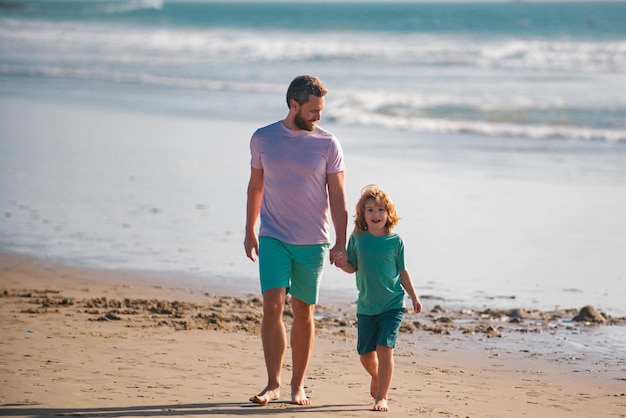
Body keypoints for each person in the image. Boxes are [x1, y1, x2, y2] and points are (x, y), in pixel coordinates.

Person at [244, 75, 348, 406]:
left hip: (312, 241)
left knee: (303, 311)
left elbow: (339, 197)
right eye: (314, 110)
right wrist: (249, 229)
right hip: (273, 235)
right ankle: (272, 383)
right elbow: (255, 186)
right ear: (294, 105)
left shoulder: (328, 144)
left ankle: (297, 385)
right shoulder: (263, 138)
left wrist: (341, 242)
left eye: (321, 110)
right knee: (272, 306)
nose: (318, 116)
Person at [334, 184, 422, 412]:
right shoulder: (357, 239)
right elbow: (352, 267)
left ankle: (382, 397)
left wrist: (414, 297)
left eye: (381, 209)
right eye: (370, 210)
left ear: (389, 213)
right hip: (366, 306)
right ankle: (377, 376)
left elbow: (403, 272)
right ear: (363, 214)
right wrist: (342, 264)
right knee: (365, 355)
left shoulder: (395, 242)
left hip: (392, 304)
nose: (376, 214)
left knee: (385, 348)